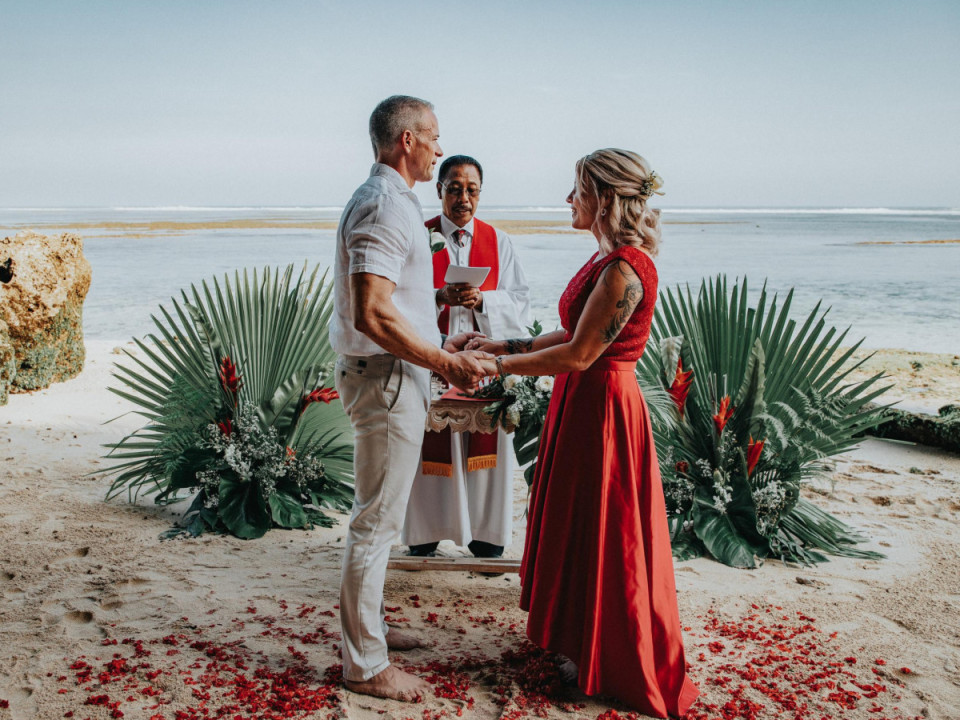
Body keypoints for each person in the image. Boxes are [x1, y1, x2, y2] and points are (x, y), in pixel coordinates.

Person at [467, 149, 698, 717]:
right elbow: (566, 335)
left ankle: (609, 655)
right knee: (581, 525)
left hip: (606, 412)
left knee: (606, 530)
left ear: (604, 199)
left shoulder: (626, 268)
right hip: (584, 403)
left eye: (576, 190)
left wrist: (492, 368)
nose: (568, 200)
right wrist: (500, 345)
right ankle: (581, 643)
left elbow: (577, 355)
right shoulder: (605, 261)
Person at [329, 95, 490, 703]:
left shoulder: (387, 201)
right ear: (407, 141)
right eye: (433, 137)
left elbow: (389, 299)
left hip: (388, 373)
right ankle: (365, 664)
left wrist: (437, 302)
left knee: (380, 516)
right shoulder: (385, 204)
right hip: (388, 377)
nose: (439, 149)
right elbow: (371, 311)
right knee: (375, 523)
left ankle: (369, 632)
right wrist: (448, 360)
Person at [403, 155, 531, 560]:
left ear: (480, 193)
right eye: (454, 188)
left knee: (485, 455)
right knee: (428, 449)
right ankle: (426, 532)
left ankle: (485, 536)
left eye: (471, 189)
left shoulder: (500, 242)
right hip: (433, 363)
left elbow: (521, 303)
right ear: (438, 190)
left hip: (482, 369)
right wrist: (438, 297)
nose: (463, 197)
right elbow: (397, 299)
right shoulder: (417, 238)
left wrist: (485, 302)